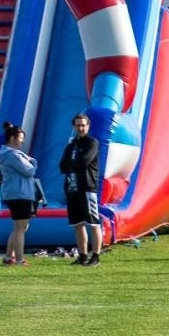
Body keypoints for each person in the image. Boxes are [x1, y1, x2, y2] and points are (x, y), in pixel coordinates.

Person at [0, 121, 42, 266]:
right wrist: (32, 161)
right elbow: (30, 170)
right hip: (19, 194)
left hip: (14, 193)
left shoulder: (7, 154)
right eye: (20, 138)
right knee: (21, 228)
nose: (22, 141)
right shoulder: (13, 155)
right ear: (13, 138)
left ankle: (9, 256)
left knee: (18, 227)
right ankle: (20, 259)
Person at [58, 111, 101, 266]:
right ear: (74, 127)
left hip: (87, 187)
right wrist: (72, 165)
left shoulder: (92, 143)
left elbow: (83, 162)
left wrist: (72, 164)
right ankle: (82, 255)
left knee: (94, 222)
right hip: (72, 188)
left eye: (83, 125)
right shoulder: (71, 145)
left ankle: (95, 256)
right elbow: (62, 166)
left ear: (88, 126)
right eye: (78, 125)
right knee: (77, 224)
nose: (80, 128)